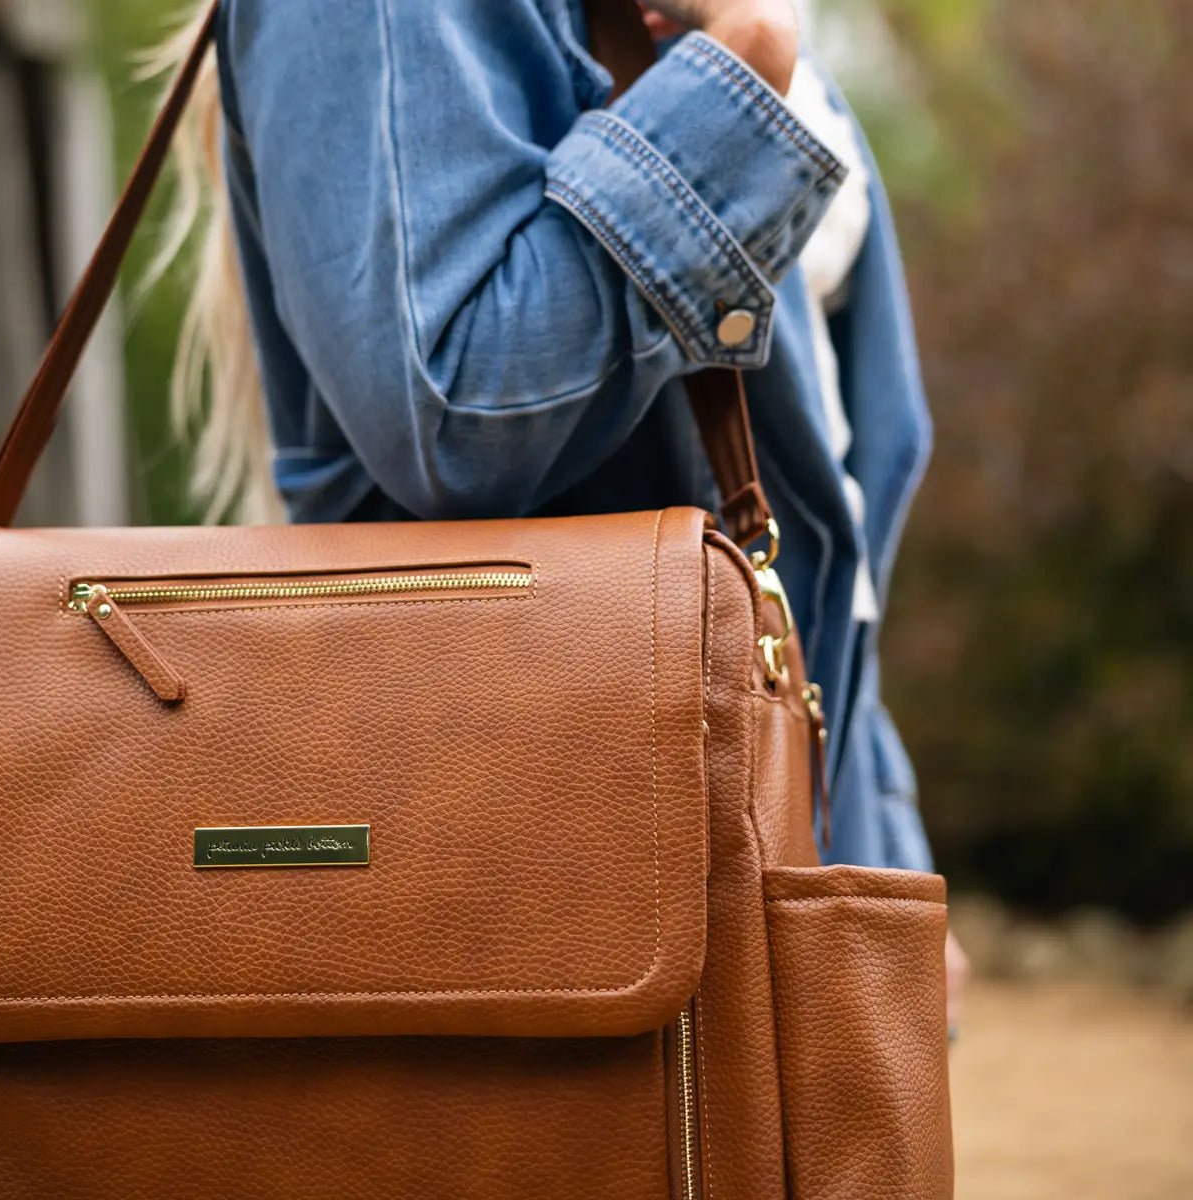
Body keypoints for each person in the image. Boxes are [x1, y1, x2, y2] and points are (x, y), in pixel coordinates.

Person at [164, 0, 966, 1023]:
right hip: (578, 869)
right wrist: (745, 61)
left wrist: (874, 836)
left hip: (776, 824)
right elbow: (458, 410)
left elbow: (816, 490)